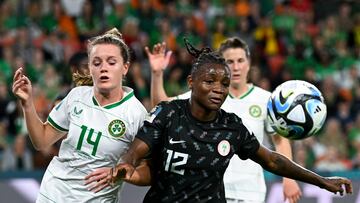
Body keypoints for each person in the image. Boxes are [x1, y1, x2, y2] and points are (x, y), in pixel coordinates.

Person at [88, 38, 352, 202]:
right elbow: (135, 151)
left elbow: (272, 159)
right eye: (210, 81)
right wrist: (124, 167)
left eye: (224, 83)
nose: (219, 89)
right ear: (192, 82)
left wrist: (322, 180)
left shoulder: (232, 126)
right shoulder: (169, 114)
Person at [146, 38, 302, 203]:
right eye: (230, 61)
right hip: (212, 192)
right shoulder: (209, 95)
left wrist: (289, 179)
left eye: (240, 60)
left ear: (248, 64)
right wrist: (157, 74)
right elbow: (162, 108)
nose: (236, 67)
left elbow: (280, 140)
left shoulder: (266, 100)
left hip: (250, 193)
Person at [12, 28, 148, 202]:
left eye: (111, 62)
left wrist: (119, 173)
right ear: (90, 68)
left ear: (125, 68)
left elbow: (148, 170)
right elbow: (41, 140)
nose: (103, 68)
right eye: (96, 63)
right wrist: (28, 104)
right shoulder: (76, 96)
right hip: (53, 195)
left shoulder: (137, 114)